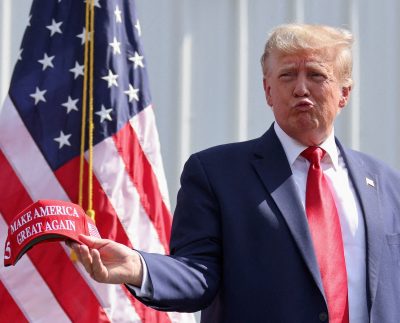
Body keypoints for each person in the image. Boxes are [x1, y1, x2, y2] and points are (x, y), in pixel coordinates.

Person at [70, 24, 400, 322]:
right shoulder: (217, 174)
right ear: (268, 90)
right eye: (287, 76)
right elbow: (197, 273)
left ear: (344, 93)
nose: (301, 89)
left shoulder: (386, 184)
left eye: (316, 75)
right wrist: (140, 268)